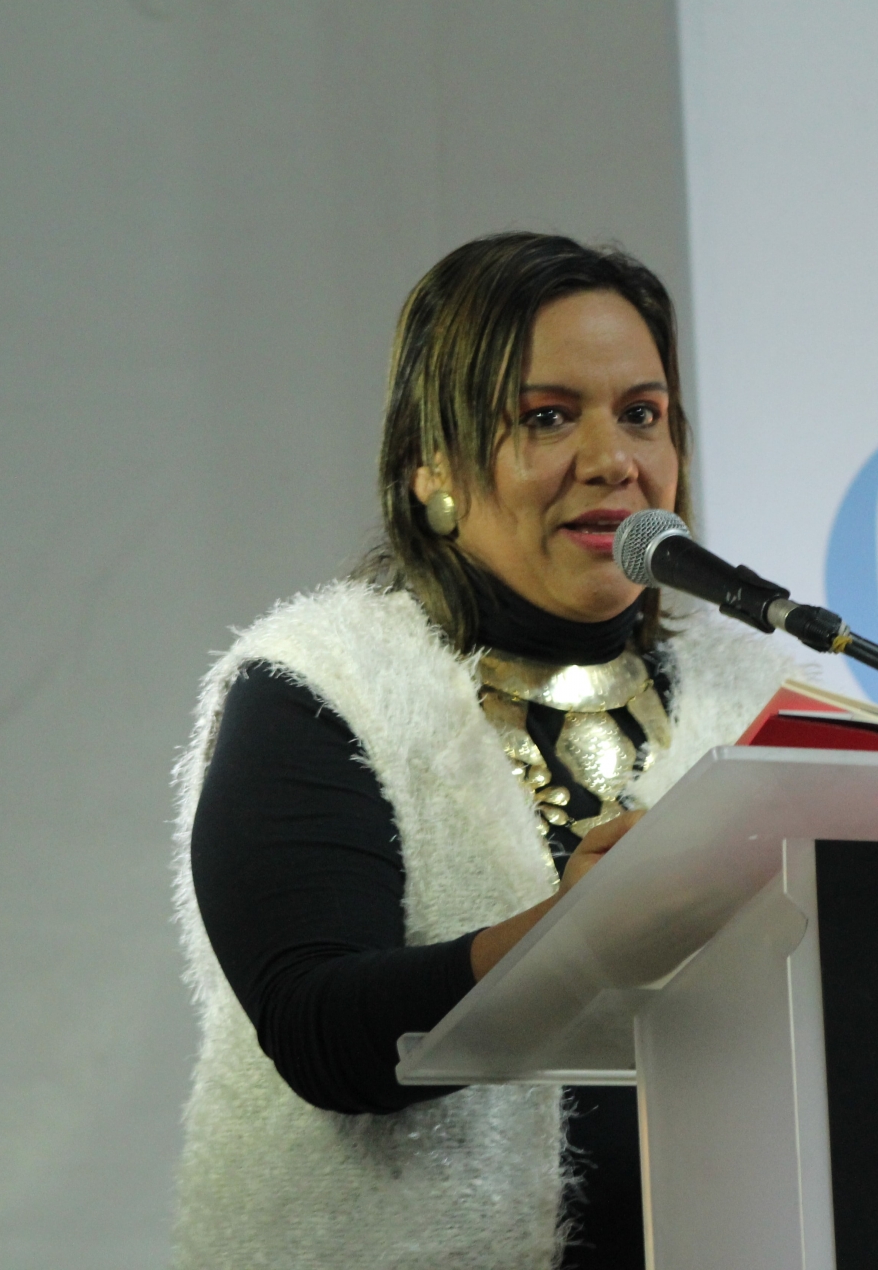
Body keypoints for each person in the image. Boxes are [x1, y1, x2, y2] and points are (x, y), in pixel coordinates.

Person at [169, 233, 790, 1269]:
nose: (613, 459)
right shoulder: (323, 685)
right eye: (547, 417)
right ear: (433, 465)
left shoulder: (757, 698)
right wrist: (574, 938)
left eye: (642, 413)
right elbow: (322, 1031)